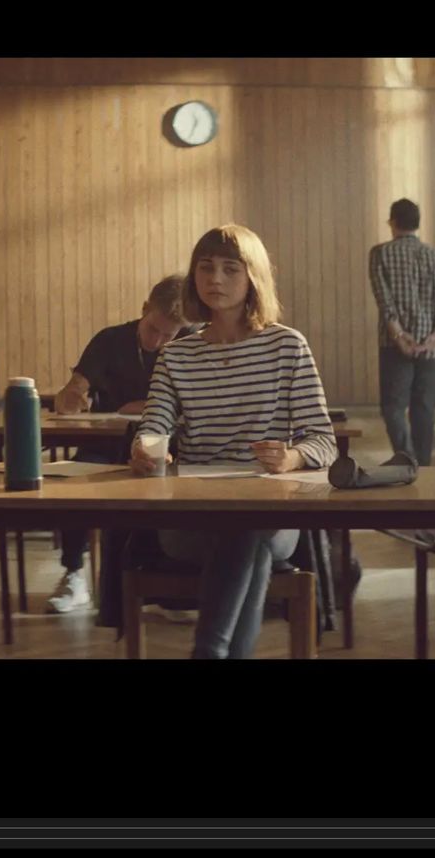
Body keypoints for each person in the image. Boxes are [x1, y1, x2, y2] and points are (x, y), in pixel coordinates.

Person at [132, 225, 338, 659]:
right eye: (205, 268)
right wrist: (148, 448)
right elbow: (154, 426)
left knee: (249, 524)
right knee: (247, 539)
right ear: (193, 278)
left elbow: (324, 440)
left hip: (269, 512)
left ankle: (207, 651)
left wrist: (293, 457)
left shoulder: (287, 346)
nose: (216, 279)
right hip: (192, 515)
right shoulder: (177, 355)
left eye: (230, 269)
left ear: (253, 278)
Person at [46, 274, 193, 614]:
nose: (157, 342)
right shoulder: (110, 340)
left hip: (165, 444)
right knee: (74, 481)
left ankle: (171, 580)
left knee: (182, 486)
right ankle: (74, 573)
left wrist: (144, 406)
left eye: (167, 335)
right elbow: (74, 390)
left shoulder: (190, 343)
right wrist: (71, 396)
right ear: (144, 309)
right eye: (152, 329)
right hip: (106, 442)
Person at [369, 197, 435, 466]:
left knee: (394, 407)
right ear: (418, 224)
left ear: (392, 223)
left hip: (394, 344)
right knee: (424, 408)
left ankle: (407, 458)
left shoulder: (380, 253)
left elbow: (384, 299)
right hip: (430, 347)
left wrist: (398, 335)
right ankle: (425, 466)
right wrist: (434, 337)